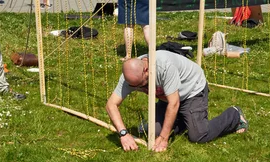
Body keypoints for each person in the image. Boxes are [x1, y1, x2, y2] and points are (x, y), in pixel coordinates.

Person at [105, 50, 248, 152]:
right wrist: (123, 134)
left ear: (147, 70)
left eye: (143, 84)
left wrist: (164, 138)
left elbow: (174, 103)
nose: (141, 88)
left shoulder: (164, 66)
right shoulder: (129, 78)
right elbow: (111, 105)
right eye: (135, 86)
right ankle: (183, 120)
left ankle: (234, 116)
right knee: (151, 131)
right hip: (169, 98)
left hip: (192, 90)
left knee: (199, 135)